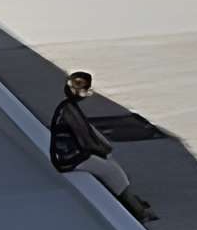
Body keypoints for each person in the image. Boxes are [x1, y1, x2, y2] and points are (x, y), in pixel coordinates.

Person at [47, 71, 155, 219]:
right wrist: (101, 150)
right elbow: (85, 137)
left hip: (71, 155)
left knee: (111, 165)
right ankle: (137, 210)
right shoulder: (68, 110)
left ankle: (130, 200)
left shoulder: (67, 107)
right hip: (70, 158)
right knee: (112, 172)